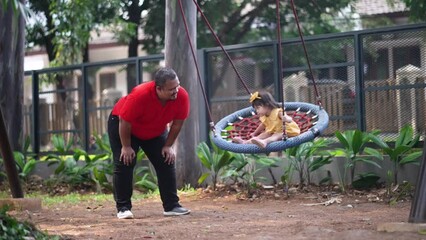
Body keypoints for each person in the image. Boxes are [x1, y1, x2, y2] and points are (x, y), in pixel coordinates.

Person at [107, 67, 191, 219]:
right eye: (171, 89)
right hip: (124, 126)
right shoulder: (140, 95)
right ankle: (123, 208)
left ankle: (171, 206)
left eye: (177, 86)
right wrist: (126, 147)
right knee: (125, 162)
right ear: (158, 88)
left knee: (166, 160)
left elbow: (177, 124)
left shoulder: (182, 96)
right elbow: (124, 121)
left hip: (154, 129)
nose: (176, 91)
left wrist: (168, 145)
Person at [232, 90, 300, 148]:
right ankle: (245, 143)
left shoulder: (277, 112)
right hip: (274, 131)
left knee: (276, 135)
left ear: (267, 104)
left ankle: (264, 142)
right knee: (263, 134)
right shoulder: (264, 116)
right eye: (255, 109)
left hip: (288, 131)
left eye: (258, 108)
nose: (257, 111)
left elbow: (288, 118)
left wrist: (286, 119)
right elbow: (262, 125)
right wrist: (254, 133)